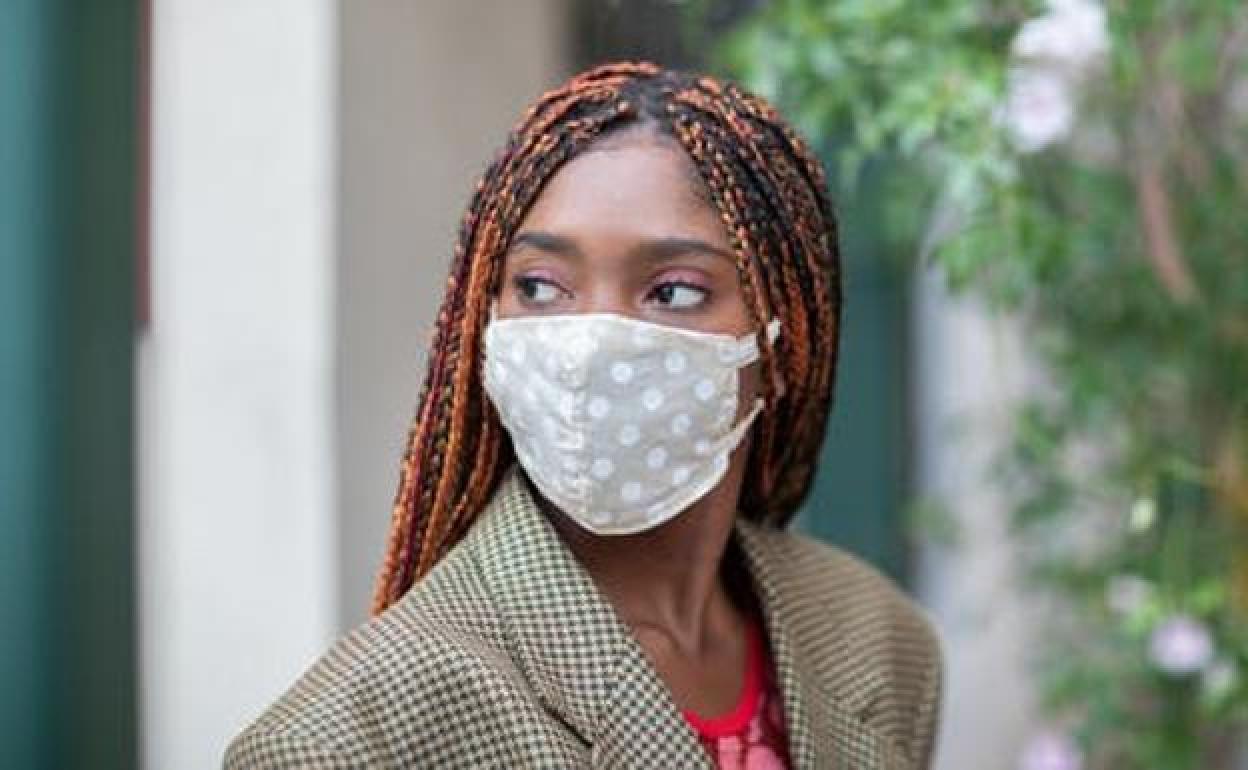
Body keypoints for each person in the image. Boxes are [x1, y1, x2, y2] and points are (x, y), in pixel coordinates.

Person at [224, 60, 943, 770]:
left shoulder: (879, 638)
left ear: (785, 341)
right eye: (539, 286)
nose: (591, 343)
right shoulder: (345, 739)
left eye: (675, 292)